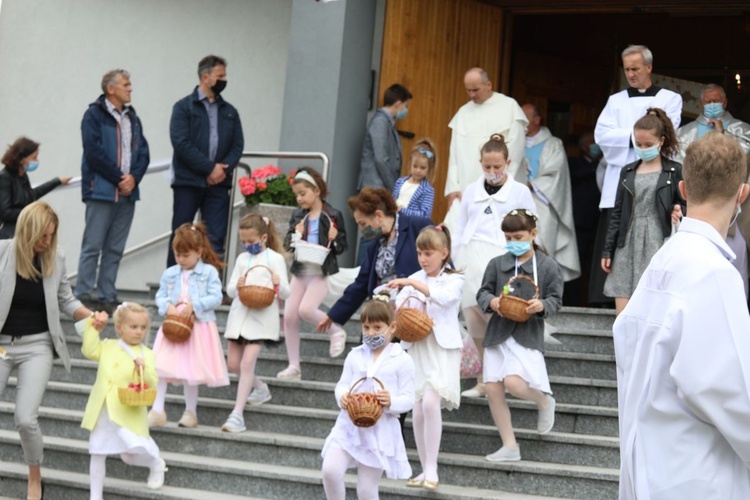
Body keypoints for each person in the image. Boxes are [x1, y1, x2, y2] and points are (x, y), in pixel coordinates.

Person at [613, 132, 750, 499]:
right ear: (743, 194)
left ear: (685, 189)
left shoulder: (663, 260)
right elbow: (730, 390)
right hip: (698, 472)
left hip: (651, 463)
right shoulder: (715, 274)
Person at [0, 201, 95, 500]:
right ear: (27, 230)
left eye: (51, 236)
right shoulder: (2, 252)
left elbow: (66, 300)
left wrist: (92, 316)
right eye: (42, 236)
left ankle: (34, 478)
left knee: (26, 419)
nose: (47, 242)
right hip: (1, 346)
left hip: (37, 346)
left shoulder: (57, 257)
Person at [592, 45, 682, 303]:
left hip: (656, 181)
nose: (630, 74)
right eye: (627, 69)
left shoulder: (670, 98)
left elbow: (669, 131)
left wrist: (631, 137)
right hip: (621, 180)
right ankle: (611, 298)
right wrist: (637, 138)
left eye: (635, 68)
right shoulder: (615, 101)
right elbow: (602, 136)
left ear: (649, 67)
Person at [476, 209, 563, 462]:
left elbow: (556, 300)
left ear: (533, 234)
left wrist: (542, 306)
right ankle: (509, 445)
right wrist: (492, 302)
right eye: (509, 237)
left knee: (514, 383)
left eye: (518, 236)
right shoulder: (497, 264)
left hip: (527, 333)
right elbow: (482, 293)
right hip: (498, 334)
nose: (514, 242)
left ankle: (544, 401)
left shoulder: (547, 266)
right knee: (493, 389)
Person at [452, 134, 535, 398]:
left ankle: (510, 375)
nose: (492, 172)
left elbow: (531, 226)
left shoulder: (520, 191)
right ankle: (482, 379)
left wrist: (524, 262)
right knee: (475, 320)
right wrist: (455, 260)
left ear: (508, 162)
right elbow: (461, 226)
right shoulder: (471, 191)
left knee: (501, 318)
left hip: (501, 259)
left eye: (497, 167)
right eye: (487, 167)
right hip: (470, 257)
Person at [390, 226, 463, 491]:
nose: (423, 258)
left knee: (431, 403)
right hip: (419, 347)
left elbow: (445, 298)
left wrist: (411, 284)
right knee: (418, 409)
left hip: (442, 350)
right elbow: (401, 306)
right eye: (420, 252)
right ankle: (424, 467)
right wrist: (398, 297)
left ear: (444, 253)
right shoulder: (414, 277)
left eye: (429, 253)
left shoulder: (454, 278)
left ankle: (432, 468)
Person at [320, 294, 415, 500]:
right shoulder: (355, 355)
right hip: (348, 425)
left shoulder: (402, 360)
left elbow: (409, 398)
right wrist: (343, 396)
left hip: (379, 431)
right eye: (366, 328)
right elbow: (343, 384)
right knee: (330, 470)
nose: (371, 333)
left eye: (377, 328)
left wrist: (391, 402)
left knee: (366, 488)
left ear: (392, 327)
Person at [76, 69, 150, 313]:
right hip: (102, 192)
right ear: (111, 89)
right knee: (92, 246)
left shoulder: (133, 118)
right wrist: (120, 178)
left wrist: (134, 178)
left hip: (128, 194)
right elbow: (93, 152)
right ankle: (83, 295)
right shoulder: (94, 115)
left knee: (115, 249)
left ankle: (107, 296)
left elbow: (143, 153)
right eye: (126, 85)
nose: (130, 89)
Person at [601, 108, 685, 315]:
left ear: (661, 141)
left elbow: (686, 204)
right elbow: (618, 211)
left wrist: (679, 210)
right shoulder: (627, 170)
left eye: (648, 144)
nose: (642, 148)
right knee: (622, 311)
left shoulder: (674, 171)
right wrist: (608, 249)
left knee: (653, 306)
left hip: (658, 239)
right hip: (627, 241)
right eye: (638, 144)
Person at [317, 188, 433, 334]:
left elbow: (441, 260)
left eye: (363, 223)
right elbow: (361, 284)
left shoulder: (417, 226)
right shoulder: (375, 244)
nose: (361, 229)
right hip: (381, 316)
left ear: (378, 215)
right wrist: (333, 315)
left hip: (412, 316)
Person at [82, 304, 167, 499]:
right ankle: (95, 496)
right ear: (119, 327)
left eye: (143, 327)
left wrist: (143, 369)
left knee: (130, 454)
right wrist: (93, 329)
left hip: (127, 411)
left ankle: (155, 463)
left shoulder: (147, 353)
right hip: (104, 408)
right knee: (97, 451)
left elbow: (153, 381)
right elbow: (89, 350)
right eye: (133, 327)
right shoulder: (108, 346)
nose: (139, 332)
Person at [149, 223, 229, 429]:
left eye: (186, 255)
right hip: (173, 324)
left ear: (199, 252)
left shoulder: (209, 272)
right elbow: (160, 295)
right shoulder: (171, 273)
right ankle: (157, 409)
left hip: (198, 326)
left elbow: (216, 297)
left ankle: (190, 412)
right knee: (161, 366)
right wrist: (167, 306)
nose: (181, 260)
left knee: (191, 372)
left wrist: (195, 305)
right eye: (178, 255)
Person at [168, 54, 244, 266]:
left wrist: (221, 171)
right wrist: (209, 168)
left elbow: (237, 146)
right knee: (180, 235)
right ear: (205, 77)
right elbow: (180, 143)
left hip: (219, 185)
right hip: (188, 182)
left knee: (215, 238)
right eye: (220, 76)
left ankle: (212, 289)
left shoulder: (230, 112)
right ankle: (173, 287)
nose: (224, 80)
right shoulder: (183, 107)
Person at [676, 83, 750, 297]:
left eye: (716, 101)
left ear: (725, 103)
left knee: (734, 268)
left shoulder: (741, 129)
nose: (711, 105)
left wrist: (722, 132)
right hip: (697, 207)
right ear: (701, 103)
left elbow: (743, 162)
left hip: (732, 213)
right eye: (708, 101)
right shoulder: (686, 132)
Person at [222, 214, 290, 432]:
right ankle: (260, 387)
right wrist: (238, 284)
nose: (248, 246)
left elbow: (287, 293)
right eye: (244, 242)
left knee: (247, 363)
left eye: (251, 242)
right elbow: (231, 289)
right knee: (233, 364)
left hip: (262, 319)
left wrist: (279, 285)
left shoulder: (275, 259)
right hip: (240, 316)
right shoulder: (243, 260)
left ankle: (237, 414)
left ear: (263, 237)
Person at [279, 168, 348, 380]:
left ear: (316, 190)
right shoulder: (298, 215)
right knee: (289, 315)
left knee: (306, 309)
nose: (299, 199)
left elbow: (341, 246)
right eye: (297, 195)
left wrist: (334, 238)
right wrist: (295, 234)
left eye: (303, 193)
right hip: (301, 271)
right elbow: (288, 245)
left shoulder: (333, 214)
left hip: (320, 272)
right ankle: (294, 366)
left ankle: (335, 330)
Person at [444, 67, 528, 229]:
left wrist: (501, 185)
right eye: (468, 90)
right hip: (467, 190)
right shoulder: (463, 112)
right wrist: (453, 187)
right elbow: (454, 154)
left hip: (499, 188)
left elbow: (515, 153)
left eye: (476, 90)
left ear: (488, 85)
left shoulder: (509, 107)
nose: (472, 95)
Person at [520, 103, 580, 282]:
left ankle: (542, 292)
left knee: (541, 248)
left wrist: (531, 184)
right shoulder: (514, 142)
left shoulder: (553, 144)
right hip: (518, 203)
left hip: (543, 204)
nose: (521, 122)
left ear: (537, 120)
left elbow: (556, 175)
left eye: (526, 118)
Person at [0, 137, 72, 239]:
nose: (37, 161)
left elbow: (32, 194)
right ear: (21, 159)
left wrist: (57, 181)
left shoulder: (23, 176)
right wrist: (31, 213)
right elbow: (5, 212)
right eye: (34, 158)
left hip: (22, 231)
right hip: (9, 236)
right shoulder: (5, 177)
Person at [565, 132, 603, 306]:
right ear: (582, 147)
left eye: (596, 142)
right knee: (576, 264)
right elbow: (580, 173)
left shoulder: (605, 167)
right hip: (578, 224)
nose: (594, 145)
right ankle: (572, 302)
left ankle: (596, 302)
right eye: (590, 142)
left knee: (596, 266)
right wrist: (600, 165)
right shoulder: (574, 163)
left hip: (599, 223)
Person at [358, 83, 412, 193]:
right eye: (405, 106)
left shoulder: (387, 122)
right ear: (398, 104)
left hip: (378, 186)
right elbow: (381, 158)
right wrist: (393, 186)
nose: (406, 110)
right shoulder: (380, 122)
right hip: (374, 187)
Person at [392, 139, 437, 219]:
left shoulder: (428, 190)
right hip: (393, 222)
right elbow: (392, 201)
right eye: (415, 166)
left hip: (410, 227)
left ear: (429, 168)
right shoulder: (400, 182)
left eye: (423, 168)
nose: (418, 170)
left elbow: (425, 215)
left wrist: (403, 210)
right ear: (410, 164)